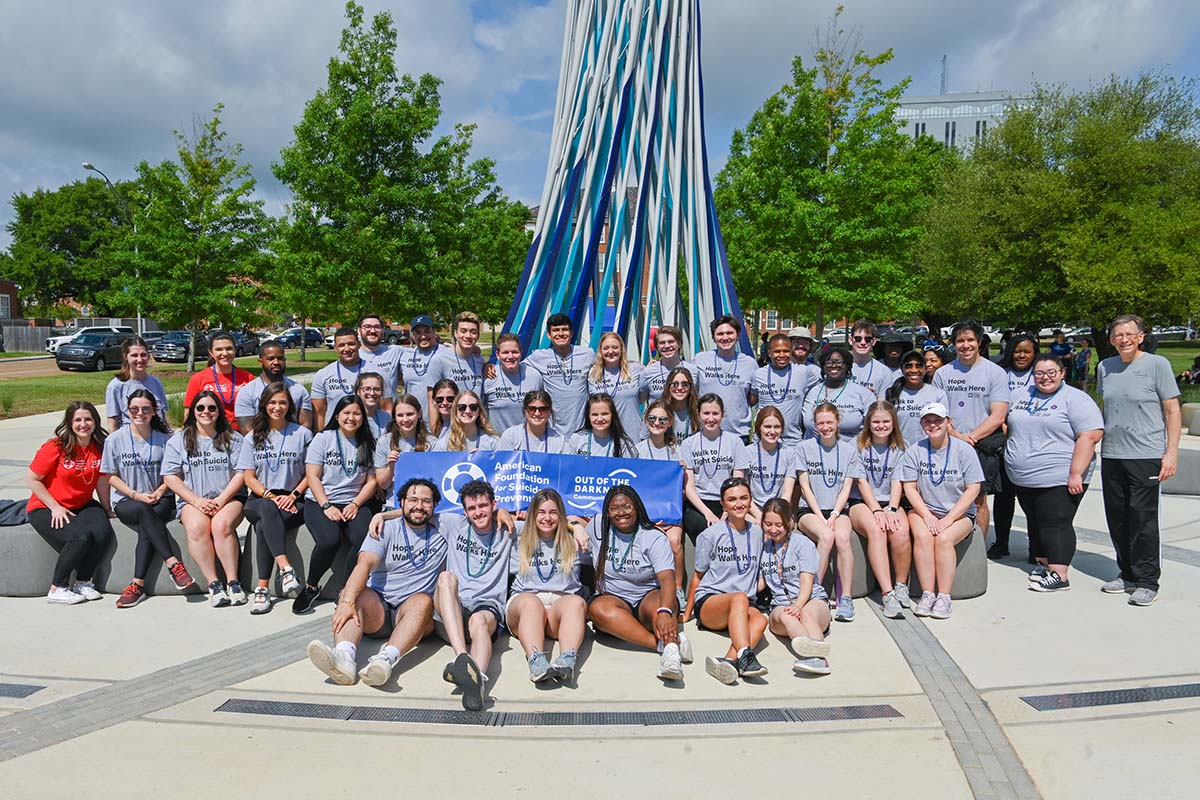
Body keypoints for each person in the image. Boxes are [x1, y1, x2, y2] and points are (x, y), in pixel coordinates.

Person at [305, 477, 445, 687]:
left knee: (424, 601)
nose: (419, 506)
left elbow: (479, 514)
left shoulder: (444, 527)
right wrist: (347, 601)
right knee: (351, 593)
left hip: (414, 615)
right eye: (413, 500)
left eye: (426, 501)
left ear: (435, 505)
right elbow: (365, 565)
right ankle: (344, 657)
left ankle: (384, 661)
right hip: (379, 609)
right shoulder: (384, 528)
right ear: (402, 502)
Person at [1097, 314, 1181, 606]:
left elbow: (1172, 410)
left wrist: (1170, 453)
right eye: (1118, 335)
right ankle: (1127, 573)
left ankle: (1147, 580)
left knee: (1142, 519)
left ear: (1141, 336)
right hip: (1112, 453)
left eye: (1130, 334)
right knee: (1118, 517)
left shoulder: (1158, 366)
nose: (1124, 339)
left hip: (1146, 454)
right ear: (1111, 339)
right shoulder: (1105, 367)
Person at [1005, 354, 1104, 592]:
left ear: (1062, 373)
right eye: (1039, 373)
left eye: (1051, 372)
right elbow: (1009, 424)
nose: (1045, 378)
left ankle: (1060, 574)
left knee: (1054, 523)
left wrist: (1075, 473)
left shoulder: (1076, 399)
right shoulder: (1022, 395)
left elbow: (1090, 436)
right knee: (1036, 521)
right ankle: (1044, 564)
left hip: (1060, 476)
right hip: (1024, 477)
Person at [102, 390, 194, 608]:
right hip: (127, 499)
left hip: (162, 497)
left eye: (146, 409)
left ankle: (136, 585)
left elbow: (175, 473)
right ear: (127, 411)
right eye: (134, 409)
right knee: (144, 512)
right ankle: (173, 564)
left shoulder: (167, 439)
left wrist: (161, 491)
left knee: (147, 525)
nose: (140, 413)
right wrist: (135, 495)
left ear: (154, 411)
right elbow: (110, 476)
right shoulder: (115, 440)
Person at [585, 485, 687, 681]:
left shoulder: (653, 536)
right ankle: (666, 646)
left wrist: (665, 611)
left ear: (637, 508)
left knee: (665, 605)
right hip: (614, 597)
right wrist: (577, 528)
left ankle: (671, 656)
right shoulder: (598, 525)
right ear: (607, 511)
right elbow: (569, 521)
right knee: (597, 610)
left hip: (646, 596)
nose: (621, 512)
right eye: (614, 508)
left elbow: (667, 579)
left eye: (627, 507)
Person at [434, 480, 518, 710]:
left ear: (494, 504)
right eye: (472, 508)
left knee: (479, 621)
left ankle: (477, 679)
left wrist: (576, 525)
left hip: (486, 606)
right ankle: (463, 658)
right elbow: (414, 511)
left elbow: (546, 518)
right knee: (445, 578)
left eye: (483, 506)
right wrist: (381, 516)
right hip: (453, 607)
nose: (478, 512)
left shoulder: (509, 529)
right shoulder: (454, 524)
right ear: (464, 511)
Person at [899, 402, 985, 619]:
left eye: (938, 420)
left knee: (944, 539)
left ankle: (944, 596)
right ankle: (927, 593)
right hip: (924, 509)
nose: (933, 425)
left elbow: (973, 488)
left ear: (948, 422)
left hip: (959, 513)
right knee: (922, 535)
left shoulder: (964, 450)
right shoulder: (915, 450)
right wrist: (927, 516)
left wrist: (950, 518)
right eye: (927, 421)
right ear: (921, 424)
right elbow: (909, 487)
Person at [161, 392, 247, 607]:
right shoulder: (179, 440)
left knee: (221, 524)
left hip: (228, 498)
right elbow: (170, 476)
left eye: (211, 408)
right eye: (200, 408)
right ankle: (214, 584)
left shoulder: (234, 438)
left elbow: (242, 472)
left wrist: (221, 499)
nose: (206, 412)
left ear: (219, 411)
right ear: (193, 412)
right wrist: (196, 501)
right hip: (193, 500)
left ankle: (233, 581)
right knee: (198, 527)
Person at [26, 401, 115, 604]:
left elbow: (101, 481)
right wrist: (55, 507)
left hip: (82, 503)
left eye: (88, 419)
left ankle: (83, 582)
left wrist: (107, 508)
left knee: (102, 532)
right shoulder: (56, 446)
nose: (83, 424)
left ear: (95, 421)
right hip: (45, 506)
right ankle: (58, 588)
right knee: (79, 538)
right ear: (69, 423)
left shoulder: (100, 446)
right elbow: (31, 479)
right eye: (78, 420)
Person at [297, 395, 379, 614]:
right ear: (337, 415)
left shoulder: (369, 443)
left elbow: (372, 481)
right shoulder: (323, 439)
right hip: (321, 501)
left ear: (363, 417)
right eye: (346, 413)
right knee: (329, 539)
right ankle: (311, 586)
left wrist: (355, 503)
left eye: (356, 413)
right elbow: (312, 476)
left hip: (355, 501)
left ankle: (346, 589)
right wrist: (326, 506)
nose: (351, 418)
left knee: (364, 539)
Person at [932, 321, 1009, 550]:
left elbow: (998, 415)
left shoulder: (994, 372)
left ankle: (977, 550)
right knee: (947, 496)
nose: (965, 345)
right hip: (947, 443)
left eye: (970, 340)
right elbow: (937, 411)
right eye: (960, 341)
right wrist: (955, 434)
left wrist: (971, 438)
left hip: (981, 445)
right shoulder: (942, 374)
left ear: (979, 342)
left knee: (979, 500)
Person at [684, 477, 768, 684]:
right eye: (732, 500)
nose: (738, 504)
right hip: (712, 603)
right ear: (722, 504)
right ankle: (746, 658)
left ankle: (728, 662)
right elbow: (698, 575)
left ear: (751, 501)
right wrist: (686, 613)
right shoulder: (711, 534)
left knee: (761, 619)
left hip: (743, 605)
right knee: (739, 598)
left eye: (744, 498)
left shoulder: (758, 533)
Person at [240, 383, 314, 614]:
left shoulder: (302, 434)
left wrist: (293, 495)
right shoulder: (252, 437)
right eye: (272, 402)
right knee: (266, 509)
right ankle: (285, 568)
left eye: (282, 402)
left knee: (264, 525)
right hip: (260, 498)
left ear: (289, 405)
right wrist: (269, 495)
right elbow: (248, 477)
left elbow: (311, 474)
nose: (277, 407)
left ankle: (262, 590)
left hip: (294, 499)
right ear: (263, 405)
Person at [506, 489, 586, 683]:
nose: (547, 518)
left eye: (553, 512)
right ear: (532, 514)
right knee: (531, 603)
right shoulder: (518, 533)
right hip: (524, 605)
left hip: (560, 608)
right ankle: (537, 662)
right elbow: (491, 515)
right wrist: (502, 512)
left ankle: (566, 661)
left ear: (561, 515)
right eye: (541, 512)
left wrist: (577, 525)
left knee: (576, 602)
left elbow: (600, 521)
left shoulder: (574, 538)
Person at [795, 403, 864, 622]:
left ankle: (846, 598)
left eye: (829, 422)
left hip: (838, 509)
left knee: (842, 538)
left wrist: (834, 514)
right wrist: (821, 516)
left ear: (837, 422)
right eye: (820, 423)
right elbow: (805, 487)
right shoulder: (804, 448)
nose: (825, 427)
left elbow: (846, 486)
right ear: (815, 425)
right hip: (810, 510)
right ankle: (814, 592)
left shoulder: (849, 450)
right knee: (826, 536)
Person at [850, 401, 911, 619]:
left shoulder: (902, 448)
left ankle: (901, 585)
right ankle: (887, 593)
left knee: (901, 531)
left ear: (893, 423)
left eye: (886, 421)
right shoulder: (856, 445)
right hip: (862, 503)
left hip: (890, 502)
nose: (881, 426)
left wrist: (892, 509)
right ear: (868, 423)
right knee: (877, 530)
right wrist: (877, 510)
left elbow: (898, 481)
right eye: (876, 421)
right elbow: (862, 482)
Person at [760, 498, 832, 675]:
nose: (773, 529)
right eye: (768, 524)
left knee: (807, 614)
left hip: (810, 600)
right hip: (780, 604)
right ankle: (811, 653)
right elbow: (760, 583)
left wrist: (798, 606)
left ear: (789, 522)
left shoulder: (802, 544)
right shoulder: (763, 548)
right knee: (786, 615)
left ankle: (818, 659)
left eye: (779, 524)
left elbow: (807, 581)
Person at [988, 333, 1041, 560]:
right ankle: (1001, 542)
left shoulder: (1040, 374)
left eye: (1027, 351)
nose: (1021, 355)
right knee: (1003, 497)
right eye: (1017, 351)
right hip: (1002, 443)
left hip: (1031, 444)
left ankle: (1036, 547)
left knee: (1031, 500)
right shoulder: (1001, 374)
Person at [636, 399, 689, 607]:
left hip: (669, 512)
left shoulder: (678, 450)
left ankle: (678, 589)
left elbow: (684, 489)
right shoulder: (636, 450)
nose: (657, 422)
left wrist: (682, 471)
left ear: (669, 423)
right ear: (646, 420)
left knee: (675, 541)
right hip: (643, 512)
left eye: (662, 419)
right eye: (652, 418)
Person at [680, 394, 749, 541]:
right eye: (706, 413)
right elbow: (690, 488)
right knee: (709, 530)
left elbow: (737, 483)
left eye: (715, 413)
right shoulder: (688, 444)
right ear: (698, 414)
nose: (710, 418)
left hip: (727, 502)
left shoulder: (735, 442)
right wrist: (707, 513)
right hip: (698, 504)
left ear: (722, 414)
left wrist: (727, 510)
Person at [524, 313, 596, 435]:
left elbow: (608, 365)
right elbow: (513, 364)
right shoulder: (539, 356)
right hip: (552, 430)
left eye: (565, 329)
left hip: (581, 428)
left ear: (571, 333)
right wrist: (489, 367)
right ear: (549, 335)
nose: (561, 333)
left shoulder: (587, 354)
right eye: (556, 330)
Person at [690, 315, 758, 440]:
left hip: (738, 434)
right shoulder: (700, 360)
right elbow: (682, 380)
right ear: (714, 338)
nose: (725, 337)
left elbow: (752, 398)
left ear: (737, 336)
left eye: (729, 333)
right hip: (705, 431)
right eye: (720, 334)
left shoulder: (750, 364)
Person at [754, 333, 819, 447]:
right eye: (777, 351)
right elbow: (751, 399)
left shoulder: (804, 372)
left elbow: (826, 383)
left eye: (786, 351)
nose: (782, 355)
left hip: (792, 441)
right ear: (769, 353)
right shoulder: (759, 374)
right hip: (763, 439)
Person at [234, 341, 314, 431]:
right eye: (270, 358)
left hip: (293, 442)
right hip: (260, 442)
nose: (276, 362)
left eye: (280, 358)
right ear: (260, 362)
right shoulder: (247, 392)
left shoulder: (299, 390)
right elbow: (246, 428)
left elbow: (306, 424)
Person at [800, 346, 876, 441]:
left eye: (839, 362)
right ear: (823, 366)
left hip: (852, 451)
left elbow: (873, 427)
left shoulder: (863, 394)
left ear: (847, 365)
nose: (834, 365)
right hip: (815, 451)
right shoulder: (813, 392)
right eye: (829, 362)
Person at [183, 332, 255, 430]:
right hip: (210, 434)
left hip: (241, 433)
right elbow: (188, 412)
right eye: (219, 349)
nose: (224, 353)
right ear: (211, 352)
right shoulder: (198, 379)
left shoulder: (248, 378)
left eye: (229, 348)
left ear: (235, 350)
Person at [372, 393, 434, 502]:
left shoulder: (432, 442)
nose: (405, 419)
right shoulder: (385, 441)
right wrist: (390, 467)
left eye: (410, 414)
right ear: (394, 417)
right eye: (400, 415)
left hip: (424, 503)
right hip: (394, 502)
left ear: (419, 414)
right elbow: (383, 485)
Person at [426, 311, 485, 421]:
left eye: (473, 332)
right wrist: (435, 433)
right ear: (455, 333)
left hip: (474, 425)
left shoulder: (479, 360)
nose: (468, 336)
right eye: (463, 331)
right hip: (450, 427)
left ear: (478, 335)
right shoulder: (439, 360)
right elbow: (431, 401)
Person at [587, 331, 645, 440]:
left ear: (621, 349)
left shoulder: (636, 369)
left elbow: (646, 393)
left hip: (632, 435)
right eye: (606, 348)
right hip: (603, 437)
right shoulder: (592, 373)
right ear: (600, 351)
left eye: (615, 347)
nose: (610, 351)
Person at [105, 337, 169, 431]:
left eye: (143, 355)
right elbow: (112, 423)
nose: (140, 359)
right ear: (126, 357)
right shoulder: (116, 386)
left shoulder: (156, 382)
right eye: (134, 355)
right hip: (129, 441)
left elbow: (164, 417)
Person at [483, 333, 543, 432]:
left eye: (514, 352)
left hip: (528, 441)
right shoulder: (488, 378)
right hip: (497, 441)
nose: (510, 356)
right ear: (497, 355)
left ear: (521, 352)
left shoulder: (534, 376)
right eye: (505, 352)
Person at [887, 350, 948, 446]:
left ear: (925, 369)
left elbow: (943, 426)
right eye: (908, 366)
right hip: (898, 450)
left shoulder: (938, 395)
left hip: (927, 450)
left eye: (919, 366)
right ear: (902, 369)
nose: (914, 370)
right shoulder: (891, 394)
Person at [744, 407, 798, 513]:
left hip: (779, 510)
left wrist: (776, 515)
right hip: (752, 510)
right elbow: (744, 492)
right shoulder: (747, 452)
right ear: (759, 427)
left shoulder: (789, 453)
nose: (772, 431)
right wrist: (759, 516)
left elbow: (787, 494)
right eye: (767, 427)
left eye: (777, 427)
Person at [311, 327, 364, 426]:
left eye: (351, 344)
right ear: (335, 348)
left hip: (368, 434)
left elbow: (386, 406)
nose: (347, 349)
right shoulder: (323, 374)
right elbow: (319, 412)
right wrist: (320, 436)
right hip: (334, 434)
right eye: (341, 345)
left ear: (359, 345)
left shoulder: (375, 371)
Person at [397, 314, 443, 417]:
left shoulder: (447, 353)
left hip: (440, 420)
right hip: (412, 420)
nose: (423, 336)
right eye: (418, 332)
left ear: (434, 332)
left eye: (427, 331)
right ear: (412, 335)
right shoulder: (404, 355)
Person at [565, 393, 636, 458]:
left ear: (612, 415)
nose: (599, 419)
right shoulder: (576, 440)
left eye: (605, 414)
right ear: (588, 416)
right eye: (594, 414)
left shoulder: (623, 444)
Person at [356, 313, 404, 410]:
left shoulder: (395, 351)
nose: (372, 331)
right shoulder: (353, 356)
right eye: (367, 327)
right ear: (359, 330)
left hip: (389, 416)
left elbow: (421, 352)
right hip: (360, 418)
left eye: (377, 327)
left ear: (382, 331)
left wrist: (442, 348)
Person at [496, 390, 567, 454]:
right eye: (532, 409)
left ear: (549, 412)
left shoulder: (560, 441)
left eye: (543, 409)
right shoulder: (511, 436)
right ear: (525, 411)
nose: (537, 413)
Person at [639, 325, 694, 401]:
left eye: (671, 341)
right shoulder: (648, 372)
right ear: (657, 347)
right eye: (662, 343)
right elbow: (638, 401)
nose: (667, 346)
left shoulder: (693, 370)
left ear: (679, 344)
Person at [434, 390, 499, 452]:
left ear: (479, 412)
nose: (467, 411)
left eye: (473, 407)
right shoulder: (444, 444)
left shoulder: (493, 442)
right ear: (455, 411)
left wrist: (484, 457)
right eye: (462, 407)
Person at [847, 319, 891, 398]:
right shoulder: (839, 368)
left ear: (873, 341)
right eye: (858, 339)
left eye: (867, 339)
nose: (863, 343)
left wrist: (873, 398)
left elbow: (883, 405)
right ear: (850, 340)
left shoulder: (884, 372)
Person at [659, 365, 699, 441]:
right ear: (668, 386)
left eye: (685, 384)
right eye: (675, 384)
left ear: (690, 387)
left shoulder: (698, 412)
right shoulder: (657, 411)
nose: (680, 388)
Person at [355, 372, 391, 439]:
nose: (372, 393)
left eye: (376, 389)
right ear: (358, 391)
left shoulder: (386, 418)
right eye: (367, 389)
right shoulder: (352, 417)